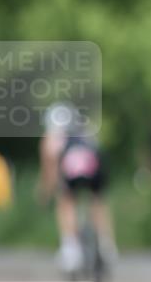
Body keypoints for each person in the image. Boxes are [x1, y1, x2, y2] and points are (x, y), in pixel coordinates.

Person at [37, 102, 117, 273]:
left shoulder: (51, 136)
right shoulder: (86, 128)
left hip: (71, 168)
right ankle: (106, 244)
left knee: (66, 200)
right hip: (94, 165)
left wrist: (45, 193)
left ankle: (70, 248)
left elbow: (50, 171)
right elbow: (99, 152)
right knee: (98, 200)